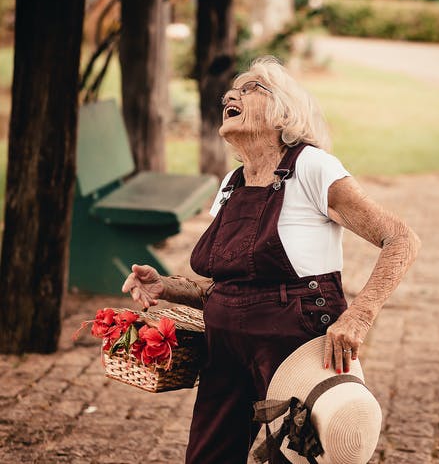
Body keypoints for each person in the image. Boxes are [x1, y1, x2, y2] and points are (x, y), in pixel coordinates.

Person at [122, 56, 421, 464]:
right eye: (232, 91)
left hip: (294, 342)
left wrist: (359, 315)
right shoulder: (231, 183)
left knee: (295, 458)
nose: (231, 94)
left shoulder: (312, 167)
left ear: (284, 111)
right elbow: (229, 287)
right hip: (225, 346)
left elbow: (401, 238)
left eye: (250, 88)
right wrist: (167, 287)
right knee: (207, 457)